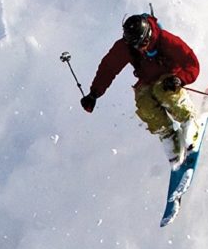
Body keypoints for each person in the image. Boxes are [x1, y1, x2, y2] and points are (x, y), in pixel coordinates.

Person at [80, 13, 201, 167]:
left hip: (168, 78)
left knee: (162, 91)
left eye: (142, 43)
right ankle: (169, 136)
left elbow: (192, 62)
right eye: (136, 46)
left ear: (148, 35)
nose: (141, 48)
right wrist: (94, 93)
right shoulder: (126, 46)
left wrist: (181, 78)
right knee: (144, 103)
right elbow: (108, 68)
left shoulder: (164, 39)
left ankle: (188, 120)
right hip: (147, 80)